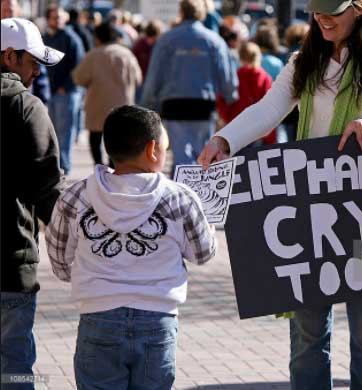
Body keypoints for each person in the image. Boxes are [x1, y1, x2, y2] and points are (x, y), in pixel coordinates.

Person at [198, 1, 362, 389]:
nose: (323, 17)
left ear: (358, 8)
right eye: (317, 10)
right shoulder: (304, 59)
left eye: (333, 10)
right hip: (310, 211)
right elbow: (268, 109)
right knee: (308, 333)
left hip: (356, 215)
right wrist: (225, 139)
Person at [45, 105, 216, 389]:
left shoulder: (76, 196)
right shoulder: (179, 198)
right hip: (158, 319)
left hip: (97, 316)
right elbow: (202, 253)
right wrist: (210, 226)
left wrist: (73, 276)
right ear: (153, 150)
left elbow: (58, 253)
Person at [1, 17, 63, 389]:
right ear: (9, 56)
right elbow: (48, 188)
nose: (37, 71)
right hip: (10, 265)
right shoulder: (26, 107)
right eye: (32, 61)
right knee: (15, 367)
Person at [141, 0, 238, 172]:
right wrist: (231, 96)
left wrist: (148, 103)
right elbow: (227, 76)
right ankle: (198, 194)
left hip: (174, 105)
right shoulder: (214, 41)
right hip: (203, 105)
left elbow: (154, 74)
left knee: (180, 156)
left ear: (182, 12)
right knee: (203, 156)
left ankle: (182, 192)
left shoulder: (167, 39)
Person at [72, 22, 142, 166]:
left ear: (98, 38)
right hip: (123, 107)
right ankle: (113, 167)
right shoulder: (127, 54)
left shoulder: (94, 55)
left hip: (98, 104)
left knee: (96, 138)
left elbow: (78, 78)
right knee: (117, 141)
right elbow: (138, 79)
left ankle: (99, 167)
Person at [43, 5, 85, 175]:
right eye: (54, 17)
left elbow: (78, 66)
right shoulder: (45, 37)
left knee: (65, 132)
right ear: (48, 19)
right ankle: (56, 166)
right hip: (51, 93)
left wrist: (64, 87)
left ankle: (64, 168)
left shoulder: (71, 38)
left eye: (60, 17)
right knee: (52, 132)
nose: (58, 20)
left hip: (66, 93)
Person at [217, 41, 276, 145]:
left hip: (236, 129)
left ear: (240, 57)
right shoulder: (265, 78)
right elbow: (271, 106)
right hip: (259, 130)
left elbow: (222, 100)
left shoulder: (235, 76)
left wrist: (228, 119)